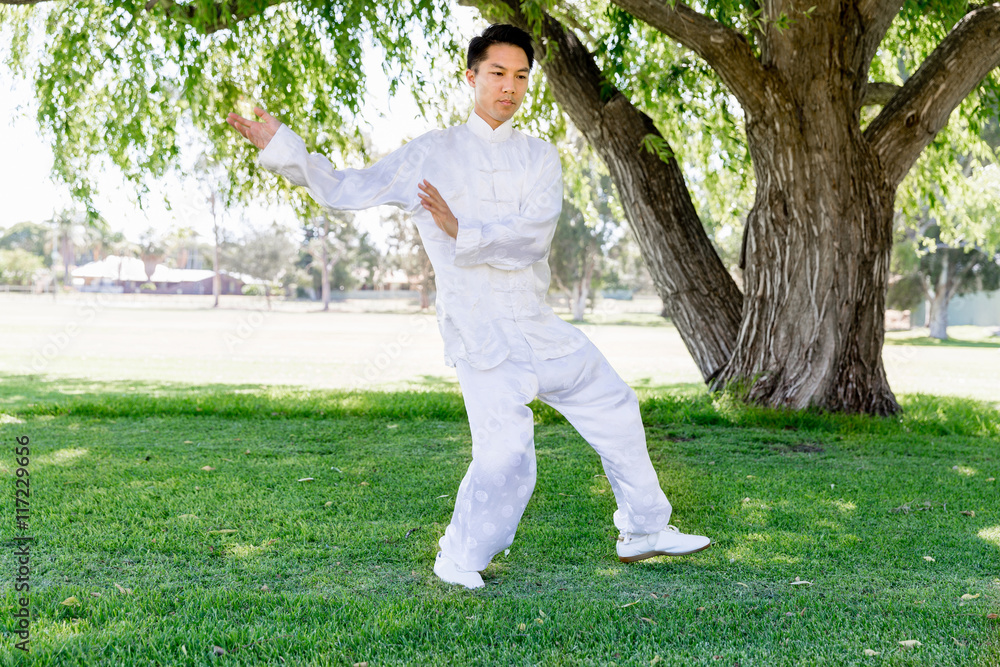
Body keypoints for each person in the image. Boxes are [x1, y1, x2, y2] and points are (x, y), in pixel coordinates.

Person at [226, 23, 711, 590]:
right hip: (481, 334)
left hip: (539, 326)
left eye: (522, 76)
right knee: (507, 456)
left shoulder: (539, 157)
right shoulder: (430, 154)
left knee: (616, 405)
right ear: (472, 76)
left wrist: (464, 228)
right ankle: (457, 557)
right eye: (499, 73)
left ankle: (644, 528)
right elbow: (345, 189)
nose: (511, 87)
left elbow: (533, 238)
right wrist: (282, 147)